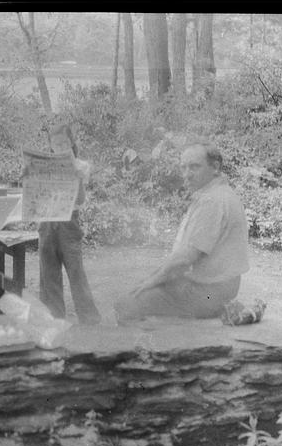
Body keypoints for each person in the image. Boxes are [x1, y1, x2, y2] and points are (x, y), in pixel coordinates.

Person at [114, 142, 251, 322]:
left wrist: (152, 280)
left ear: (215, 167)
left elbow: (185, 258)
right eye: (183, 167)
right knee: (143, 287)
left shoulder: (212, 200)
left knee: (126, 302)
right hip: (220, 289)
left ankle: (148, 348)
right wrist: (154, 278)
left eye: (194, 167)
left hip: (209, 294)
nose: (186, 174)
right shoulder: (221, 193)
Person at [23, 124, 101, 325]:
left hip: (69, 224)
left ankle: (89, 319)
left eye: (64, 143)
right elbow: (34, 196)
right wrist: (29, 177)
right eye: (56, 143)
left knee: (76, 271)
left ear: (72, 142)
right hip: (47, 223)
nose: (60, 147)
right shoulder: (43, 164)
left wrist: (77, 178)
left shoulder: (81, 166)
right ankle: (54, 318)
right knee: (49, 273)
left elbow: (82, 200)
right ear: (50, 145)